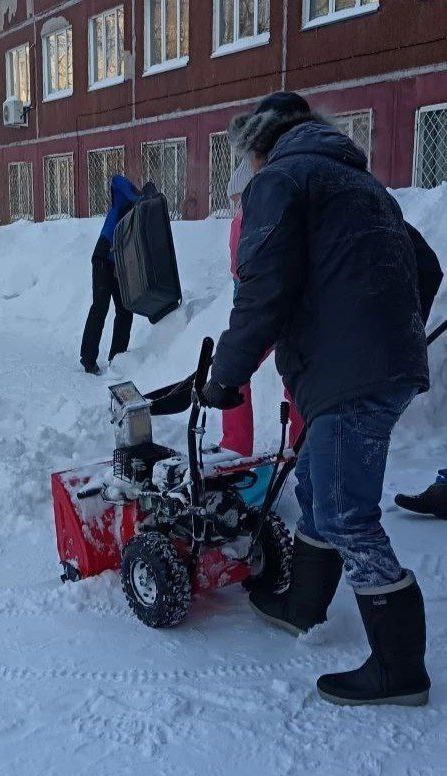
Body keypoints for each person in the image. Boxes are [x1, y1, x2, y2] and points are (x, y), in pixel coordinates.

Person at [201, 92, 442, 706]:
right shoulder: (357, 184)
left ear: (259, 146)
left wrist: (225, 376)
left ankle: (398, 671)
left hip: (350, 372)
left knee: (344, 514)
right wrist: (390, 326)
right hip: (371, 366)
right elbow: (427, 265)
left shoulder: (279, 180)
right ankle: (300, 606)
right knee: (316, 484)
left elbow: (263, 289)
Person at [219, 157, 303, 457]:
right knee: (294, 372)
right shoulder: (246, 216)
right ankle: (298, 444)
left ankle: (237, 446)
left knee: (237, 371)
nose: (236, 204)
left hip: (264, 300)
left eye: (238, 198)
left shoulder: (260, 214)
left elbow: (252, 266)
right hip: (260, 297)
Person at [79, 174, 140, 375]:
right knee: (100, 307)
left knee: (125, 310)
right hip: (103, 258)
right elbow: (116, 180)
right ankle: (88, 359)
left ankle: (117, 358)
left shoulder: (138, 215)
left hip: (119, 264)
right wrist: (138, 195)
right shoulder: (122, 201)